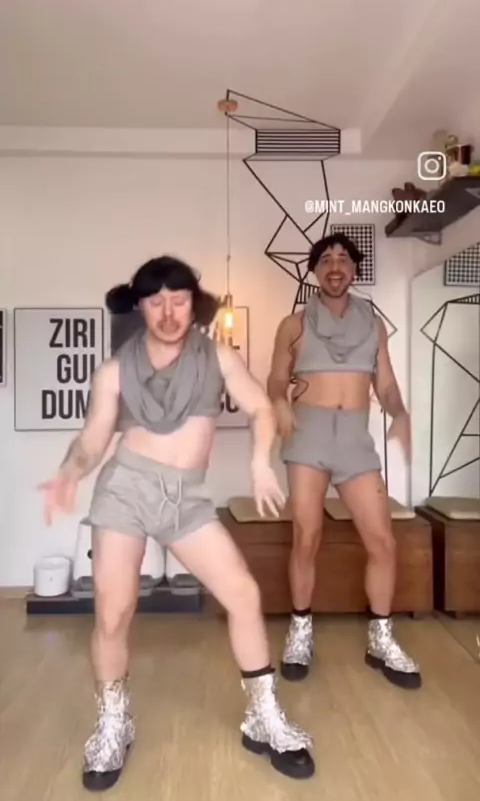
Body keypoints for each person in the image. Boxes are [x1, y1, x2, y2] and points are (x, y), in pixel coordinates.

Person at [41, 256, 315, 791]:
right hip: (125, 490)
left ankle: (262, 716)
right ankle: (114, 723)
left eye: (179, 300)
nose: (168, 313)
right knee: (114, 612)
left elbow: (262, 409)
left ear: (195, 304)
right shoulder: (115, 370)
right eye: (156, 301)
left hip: (186, 499)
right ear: (140, 306)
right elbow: (94, 439)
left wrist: (261, 464)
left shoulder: (219, 357)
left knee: (242, 593)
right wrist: (69, 472)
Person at [267, 233, 421, 690]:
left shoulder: (373, 324)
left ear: (354, 269)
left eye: (343, 259)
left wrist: (400, 414)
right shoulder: (293, 325)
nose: (335, 267)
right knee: (307, 537)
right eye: (326, 260)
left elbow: (385, 384)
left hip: (355, 440)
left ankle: (381, 638)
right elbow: (275, 378)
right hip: (308, 437)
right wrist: (279, 402)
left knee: (383, 541)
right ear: (315, 271)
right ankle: (300, 630)